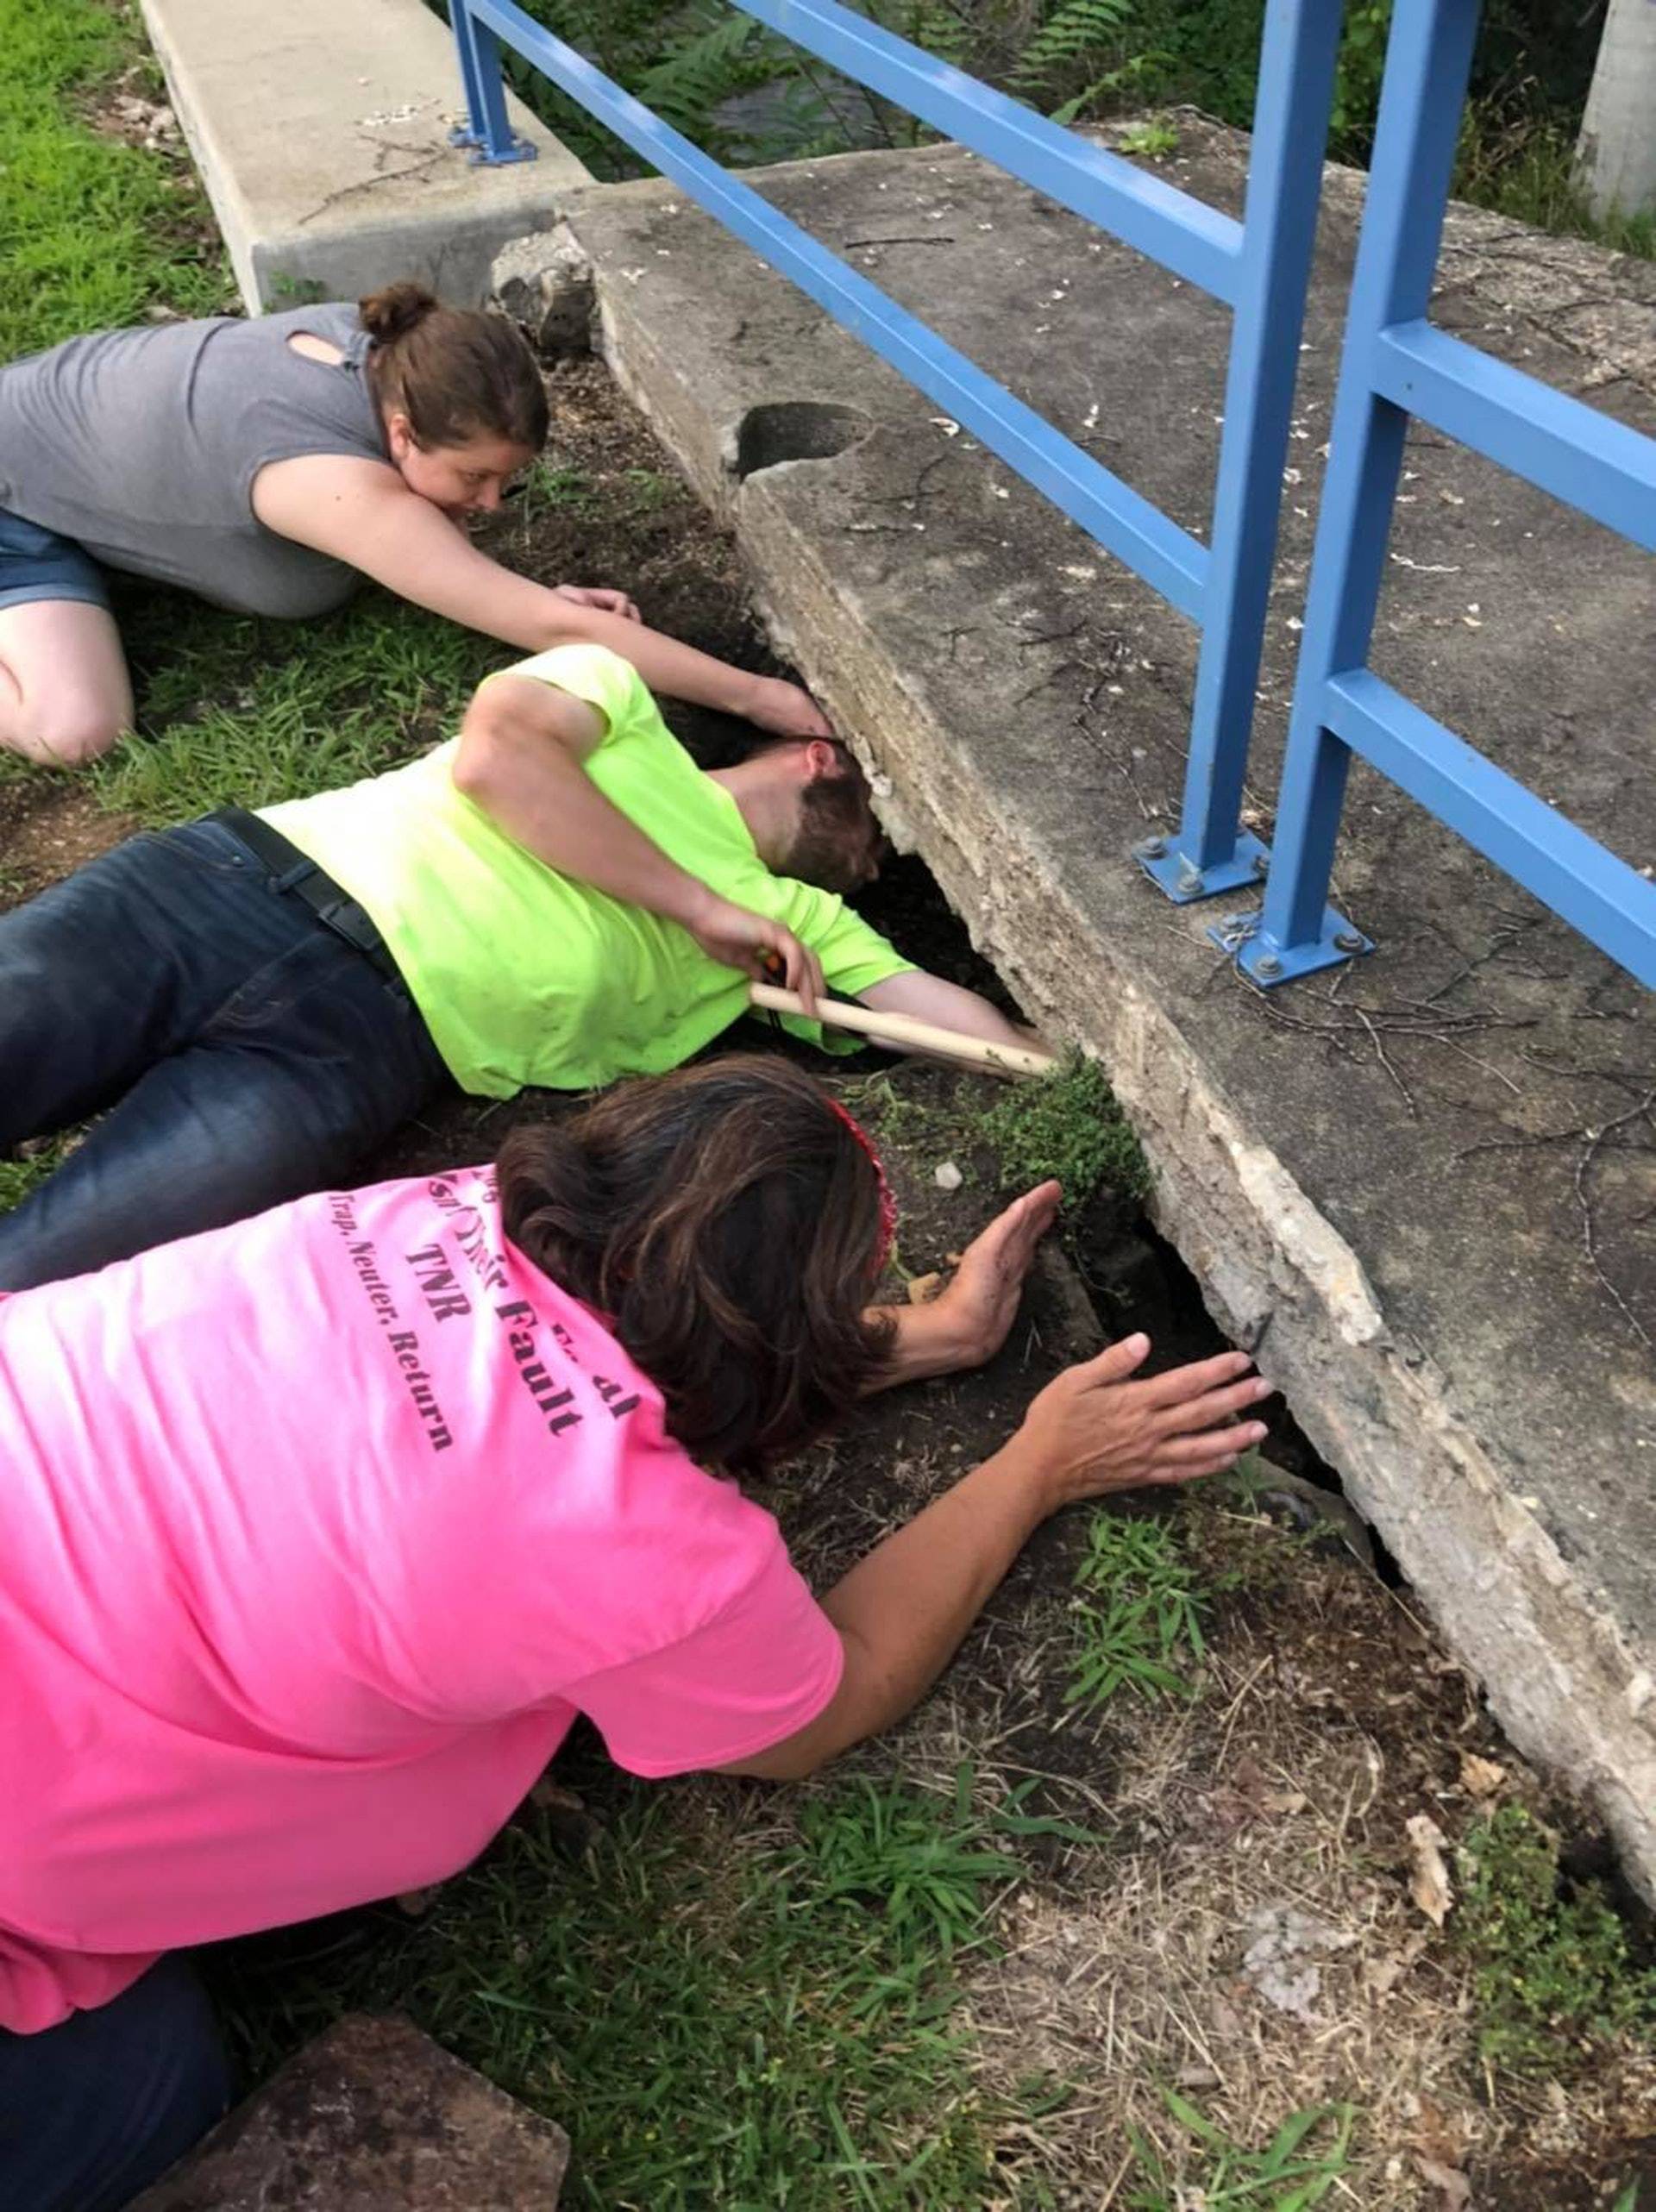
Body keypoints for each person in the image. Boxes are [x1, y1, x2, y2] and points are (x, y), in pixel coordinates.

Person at [0, 1055, 1273, 2211]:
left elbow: (555, 1366)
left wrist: (913, 1340)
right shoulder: (644, 1548)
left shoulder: (436, 1212)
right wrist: (1040, 1461)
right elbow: (826, 1703)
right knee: (152, 2084)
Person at [0, 637, 1032, 1289]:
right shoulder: (616, 698)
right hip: (226, 892)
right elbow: (498, 760)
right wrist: (696, 906)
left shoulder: (802, 925)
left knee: (46, 1277)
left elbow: (980, 1043)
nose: (880, 860)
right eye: (880, 833)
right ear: (824, 759)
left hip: (350, 1055)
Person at [0, 281, 829, 766]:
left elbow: (475, 573)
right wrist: (761, 699)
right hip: (12, 500)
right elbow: (538, 623)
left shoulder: (391, 348)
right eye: (475, 477)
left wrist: (520, 585)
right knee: (76, 730)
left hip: (43, 417)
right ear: (402, 432)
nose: (492, 504)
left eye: (507, 479)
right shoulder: (328, 481)